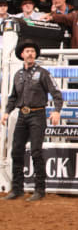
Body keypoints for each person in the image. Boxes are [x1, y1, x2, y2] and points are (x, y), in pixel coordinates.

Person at [1, 40, 63, 201]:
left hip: (38, 114)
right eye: (27, 51)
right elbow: (13, 96)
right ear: (22, 55)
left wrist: (56, 111)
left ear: (35, 55)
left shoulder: (43, 73)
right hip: (22, 114)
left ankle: (39, 189)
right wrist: (7, 111)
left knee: (36, 151)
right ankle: (17, 188)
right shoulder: (18, 75)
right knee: (16, 151)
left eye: (32, 51)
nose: (30, 54)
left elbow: (56, 93)